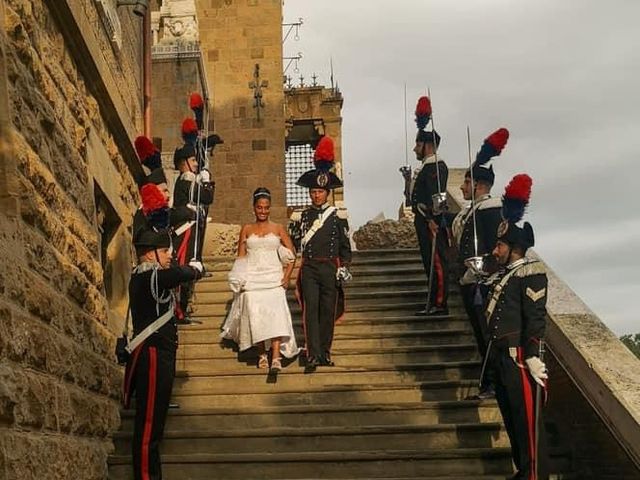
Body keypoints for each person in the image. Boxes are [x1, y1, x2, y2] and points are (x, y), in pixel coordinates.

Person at [122, 226, 204, 480]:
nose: (169, 255)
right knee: (148, 429)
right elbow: (179, 274)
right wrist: (196, 269)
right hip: (153, 355)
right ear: (149, 255)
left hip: (160, 354)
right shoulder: (148, 277)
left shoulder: (150, 277)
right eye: (164, 250)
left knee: (154, 426)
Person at [483, 174, 549, 480]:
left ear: (514, 248)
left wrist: (533, 355)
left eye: (499, 245)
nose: (495, 251)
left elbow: (535, 318)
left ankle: (533, 474)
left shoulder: (530, 274)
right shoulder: (503, 275)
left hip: (520, 359)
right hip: (500, 360)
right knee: (512, 422)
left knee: (527, 425)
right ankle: (523, 470)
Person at [451, 129, 508, 398]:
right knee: (479, 335)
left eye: (466, 183)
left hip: (483, 282)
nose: (462, 188)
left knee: (488, 336)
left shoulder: (490, 209)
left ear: (480, 185)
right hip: (468, 280)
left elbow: (497, 247)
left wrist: (483, 267)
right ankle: (488, 381)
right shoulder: (471, 210)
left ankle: (493, 383)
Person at [220, 187, 300, 372]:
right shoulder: (246, 229)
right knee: (256, 315)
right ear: (254, 208)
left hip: (273, 278)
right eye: (259, 207)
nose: (263, 211)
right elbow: (240, 256)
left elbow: (292, 255)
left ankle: (276, 357)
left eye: (266, 207)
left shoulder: (278, 228)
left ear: (270, 208)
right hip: (253, 278)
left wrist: (287, 277)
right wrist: (239, 278)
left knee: (276, 315)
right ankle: (262, 353)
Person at [295, 136, 352, 372]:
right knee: (311, 312)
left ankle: (325, 353)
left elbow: (345, 248)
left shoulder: (337, 217)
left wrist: (344, 267)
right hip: (309, 268)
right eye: (314, 191)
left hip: (329, 267)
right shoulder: (303, 217)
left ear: (327, 193)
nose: (316, 195)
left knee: (327, 312)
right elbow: (297, 243)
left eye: (320, 191)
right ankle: (312, 354)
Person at [171, 143, 214, 323]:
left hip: (193, 228)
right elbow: (206, 197)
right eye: (193, 160)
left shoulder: (189, 179)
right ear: (184, 163)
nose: (196, 164)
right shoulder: (186, 179)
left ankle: (182, 307)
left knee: (190, 267)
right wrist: (206, 181)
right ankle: (177, 309)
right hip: (186, 230)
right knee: (184, 266)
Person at [411, 125, 449, 316]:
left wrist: (433, 219)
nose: (415, 148)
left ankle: (439, 302)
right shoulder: (427, 166)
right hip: (423, 220)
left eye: (418, 144)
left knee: (437, 263)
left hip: (430, 222)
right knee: (429, 261)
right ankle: (433, 300)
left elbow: (439, 198)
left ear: (426, 145)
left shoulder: (435, 166)